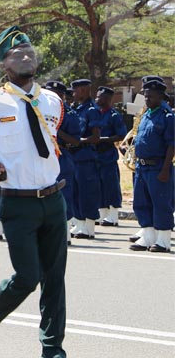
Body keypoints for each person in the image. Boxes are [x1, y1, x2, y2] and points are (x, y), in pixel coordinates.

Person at [0, 26, 90, 358]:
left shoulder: (52, 101)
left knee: (55, 281)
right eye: (17, 54)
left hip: (53, 199)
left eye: (30, 51)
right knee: (28, 276)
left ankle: (52, 357)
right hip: (17, 204)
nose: (26, 56)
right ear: (4, 64)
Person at [129, 79, 173, 252]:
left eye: (151, 96)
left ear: (161, 96)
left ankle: (163, 240)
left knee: (161, 203)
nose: (147, 99)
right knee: (142, 202)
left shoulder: (167, 116)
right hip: (142, 166)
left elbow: (172, 145)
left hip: (158, 166)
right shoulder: (147, 114)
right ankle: (148, 236)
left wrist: (165, 170)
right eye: (145, 96)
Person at [44, 80, 81, 246]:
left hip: (61, 155)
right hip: (42, 156)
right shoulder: (38, 110)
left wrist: (54, 129)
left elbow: (76, 140)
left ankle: (64, 234)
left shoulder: (69, 113)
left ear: (62, 96)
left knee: (63, 195)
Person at [69, 79, 101, 239]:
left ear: (82, 91)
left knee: (86, 193)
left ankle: (89, 227)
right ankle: (80, 223)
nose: (73, 94)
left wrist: (77, 142)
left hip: (86, 157)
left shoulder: (91, 110)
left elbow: (96, 137)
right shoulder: (76, 109)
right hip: (75, 157)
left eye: (75, 91)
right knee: (75, 192)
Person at [91, 86, 127, 226]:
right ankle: (102, 214)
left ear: (107, 99)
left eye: (99, 97)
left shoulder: (114, 115)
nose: (96, 99)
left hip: (108, 154)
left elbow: (121, 134)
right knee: (98, 185)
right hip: (95, 154)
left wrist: (102, 139)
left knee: (110, 185)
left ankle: (113, 216)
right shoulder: (94, 113)